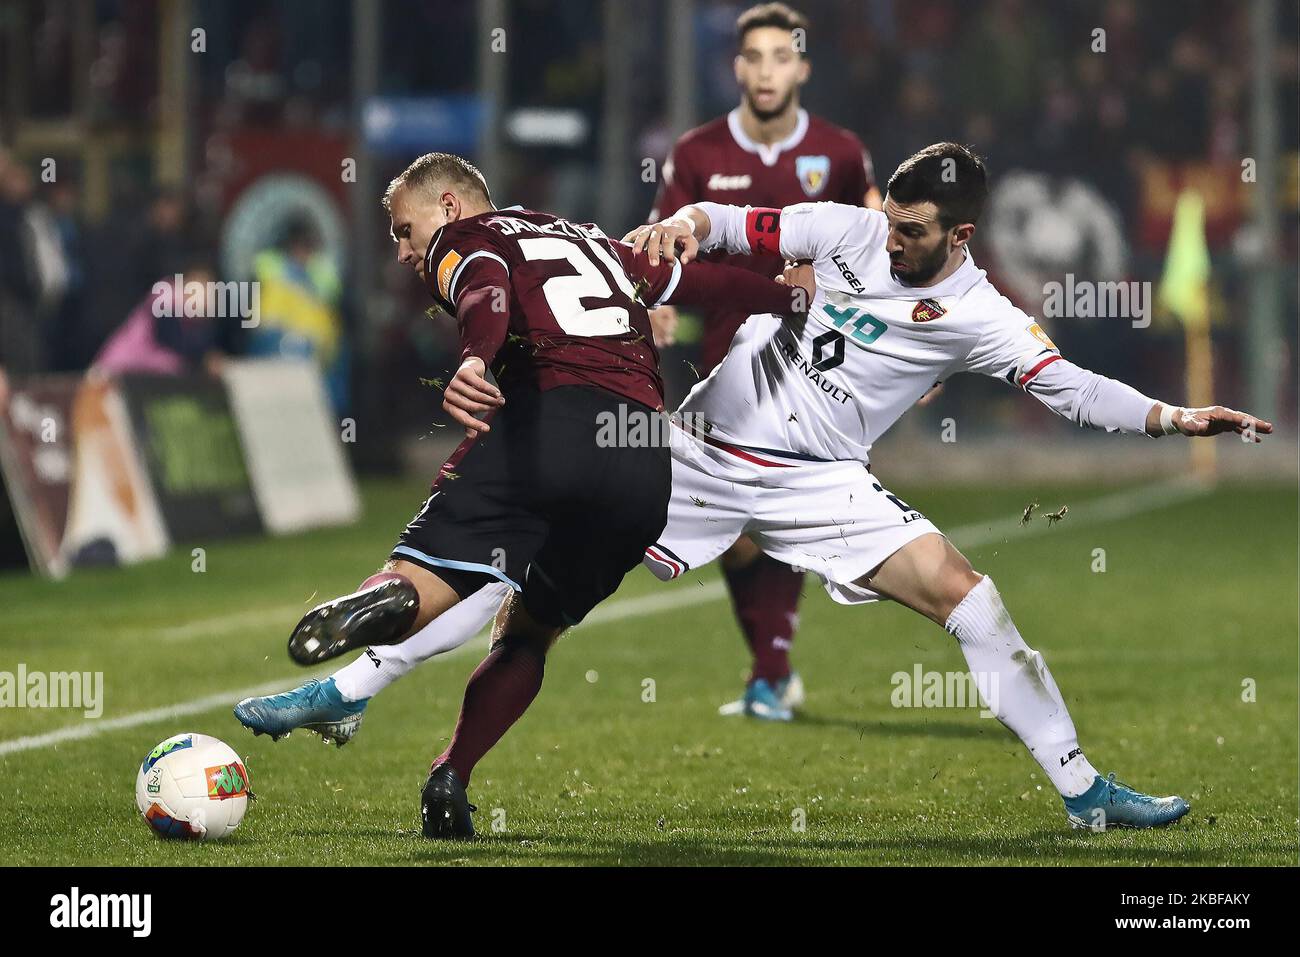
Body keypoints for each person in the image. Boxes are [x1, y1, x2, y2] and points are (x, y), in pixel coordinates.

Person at [619, 141, 1270, 830]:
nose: (891, 241)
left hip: (823, 482)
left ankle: (1085, 792)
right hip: (706, 448)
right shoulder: (849, 228)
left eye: (912, 231)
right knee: (548, 580)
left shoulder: (981, 315)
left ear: (961, 234)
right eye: (892, 222)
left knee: (973, 600)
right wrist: (684, 226)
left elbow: (1072, 389)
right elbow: (724, 220)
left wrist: (1170, 416)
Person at [235, 152, 811, 838]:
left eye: (403, 229)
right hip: (640, 459)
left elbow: (485, 287)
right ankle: (451, 772)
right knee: (529, 632)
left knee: (427, 577)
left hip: (552, 426)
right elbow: (708, 283)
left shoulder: (466, 239)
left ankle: (389, 603)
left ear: (448, 206)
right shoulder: (598, 240)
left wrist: (476, 354)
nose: (402, 250)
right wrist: (794, 297)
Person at [647, 2, 881, 721]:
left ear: (803, 67)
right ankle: (772, 671)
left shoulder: (840, 153)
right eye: (756, 57)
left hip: (815, 363)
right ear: (738, 66)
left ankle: (770, 676)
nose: (768, 70)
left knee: (767, 512)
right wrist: (654, 302)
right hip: (722, 359)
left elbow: (875, 245)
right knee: (739, 530)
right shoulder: (698, 153)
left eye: (783, 56)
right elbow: (664, 240)